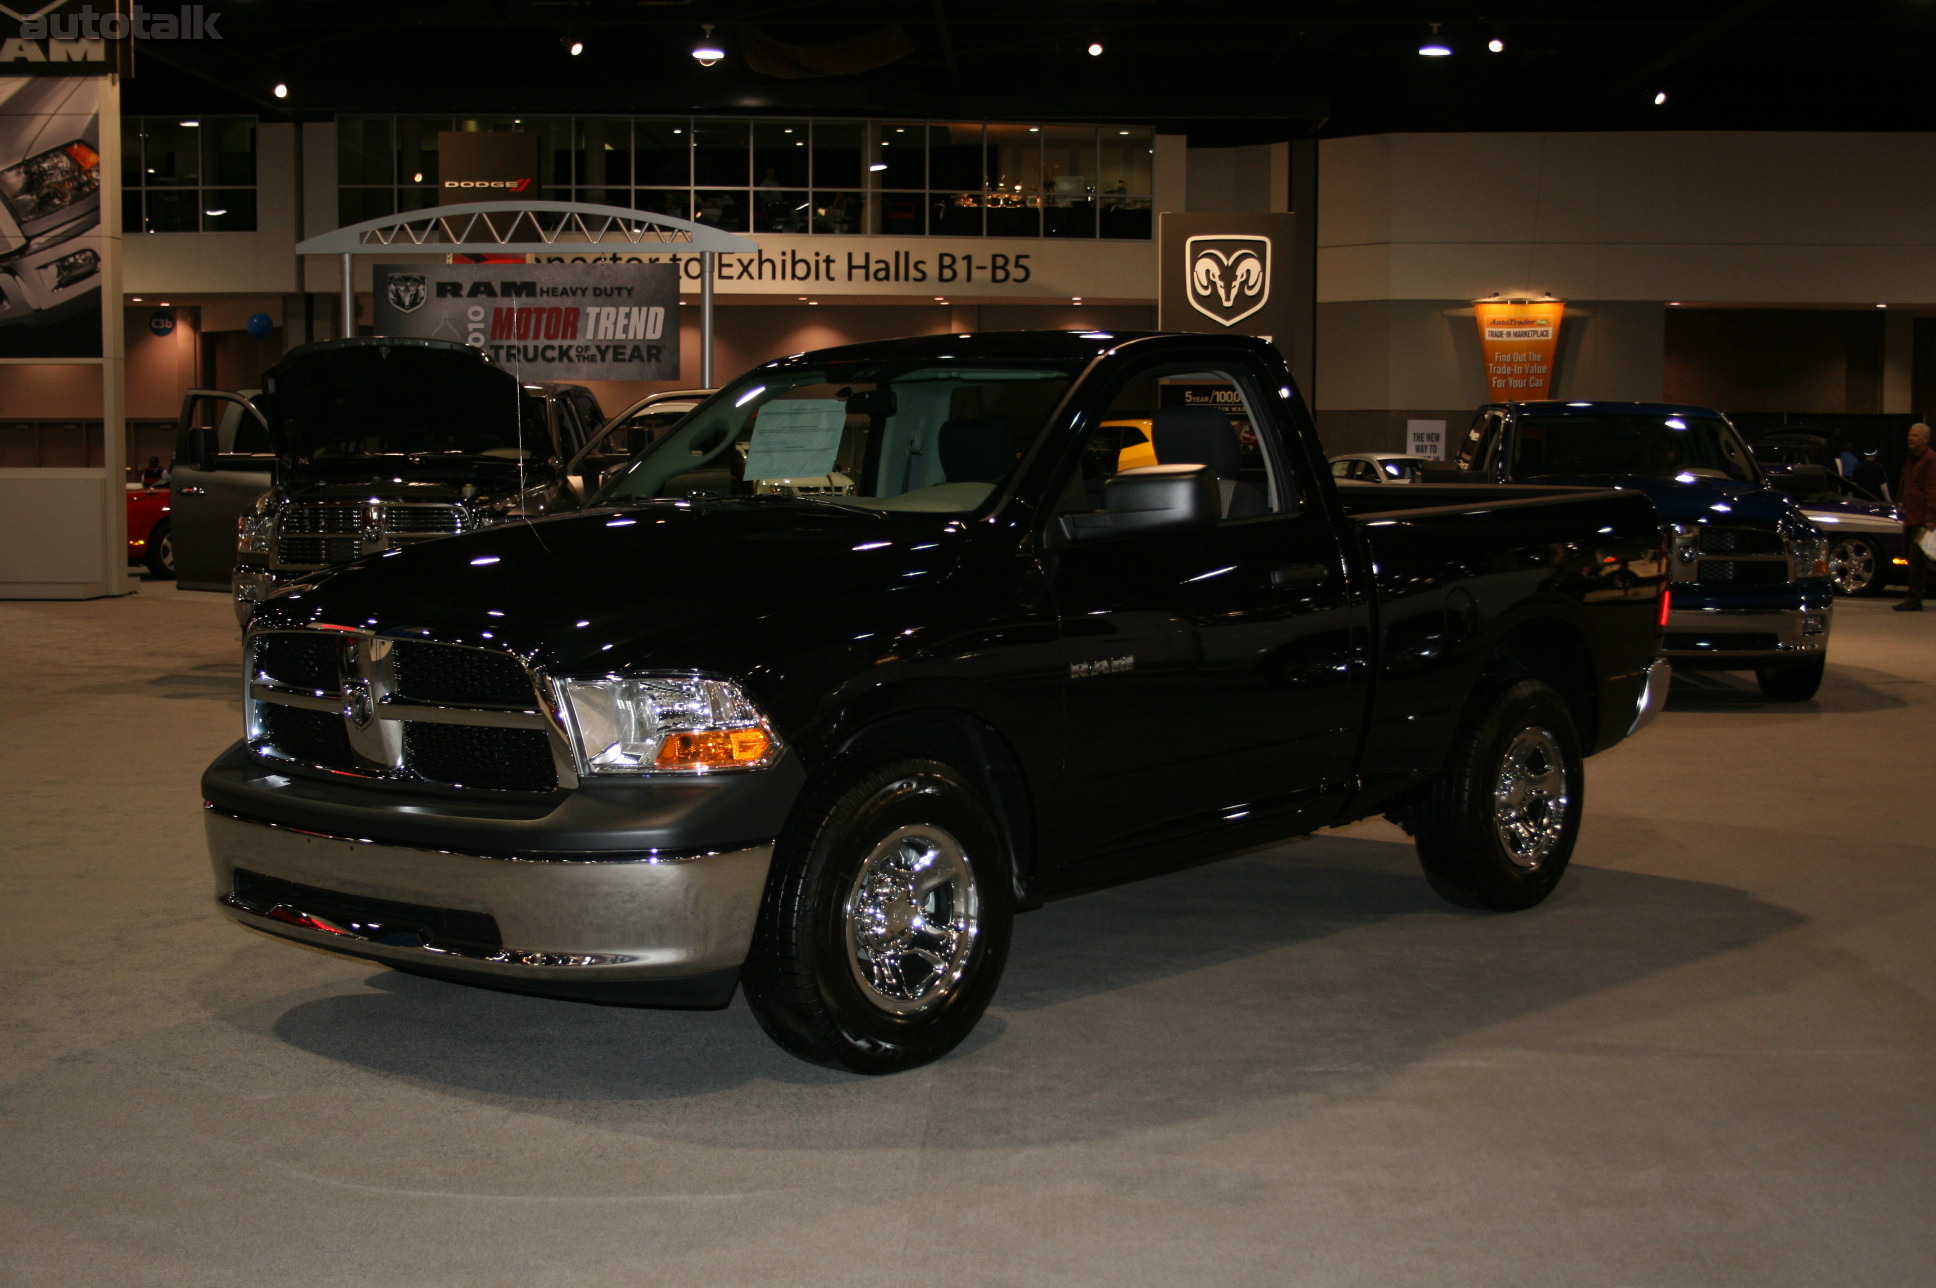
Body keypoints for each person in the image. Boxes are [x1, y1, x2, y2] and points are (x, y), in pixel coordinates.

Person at [1896, 421, 1936, 611]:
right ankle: (1914, 597)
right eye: (1909, 435)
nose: (1910, 438)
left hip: (1924, 520)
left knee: (1921, 559)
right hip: (1912, 517)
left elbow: (1932, 489)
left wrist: (1930, 517)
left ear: (1926, 439)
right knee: (1916, 559)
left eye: (1915, 435)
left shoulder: (1931, 459)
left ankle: (1914, 598)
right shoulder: (1911, 459)